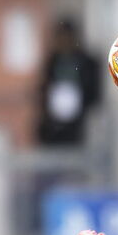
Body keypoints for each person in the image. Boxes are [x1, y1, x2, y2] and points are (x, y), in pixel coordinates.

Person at [35, 16, 101, 146]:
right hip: (53, 126)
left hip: (78, 125)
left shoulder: (87, 62)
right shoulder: (53, 61)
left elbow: (93, 93)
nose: (63, 42)